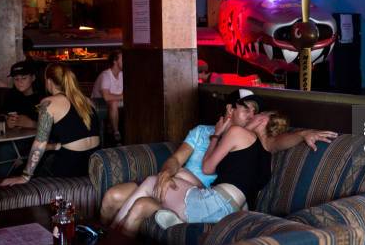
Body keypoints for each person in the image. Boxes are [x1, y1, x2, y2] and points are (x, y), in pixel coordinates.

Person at [100, 89, 337, 236]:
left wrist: (303, 134)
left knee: (149, 188)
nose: (252, 115)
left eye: (256, 112)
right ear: (229, 109)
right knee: (128, 195)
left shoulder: (250, 141)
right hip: (204, 195)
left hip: (214, 200)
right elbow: (178, 159)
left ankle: (111, 242)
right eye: (247, 109)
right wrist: (167, 172)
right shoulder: (210, 133)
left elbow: (277, 142)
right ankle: (122, 237)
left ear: (265, 122)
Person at [0, 63, 100, 185]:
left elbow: (40, 142)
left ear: (48, 81)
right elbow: (78, 136)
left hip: (69, 168)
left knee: (18, 172)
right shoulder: (87, 101)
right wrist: (53, 146)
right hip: (92, 164)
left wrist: (25, 176)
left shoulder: (48, 102)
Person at [0, 61, 42, 129]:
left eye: (24, 78)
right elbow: (2, 116)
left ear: (33, 78)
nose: (19, 82)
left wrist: (33, 124)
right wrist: (7, 122)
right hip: (16, 137)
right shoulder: (12, 95)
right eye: (16, 79)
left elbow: (53, 125)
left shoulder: (43, 97)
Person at [91, 50, 123, 143]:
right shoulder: (105, 75)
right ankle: (116, 133)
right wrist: (123, 96)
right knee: (114, 103)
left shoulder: (122, 74)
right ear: (115, 61)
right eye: (122, 59)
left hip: (115, 100)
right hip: (98, 103)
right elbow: (106, 97)